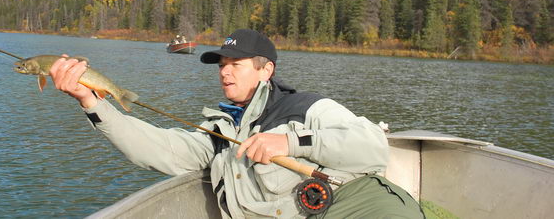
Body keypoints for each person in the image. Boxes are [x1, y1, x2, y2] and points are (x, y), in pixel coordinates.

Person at [49, 29, 423, 218]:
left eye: (235, 65)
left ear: (267, 71)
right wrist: (93, 103)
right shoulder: (219, 131)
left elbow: (373, 146)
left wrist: (290, 144)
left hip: (360, 206)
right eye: (221, 66)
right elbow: (158, 150)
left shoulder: (307, 107)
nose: (224, 73)